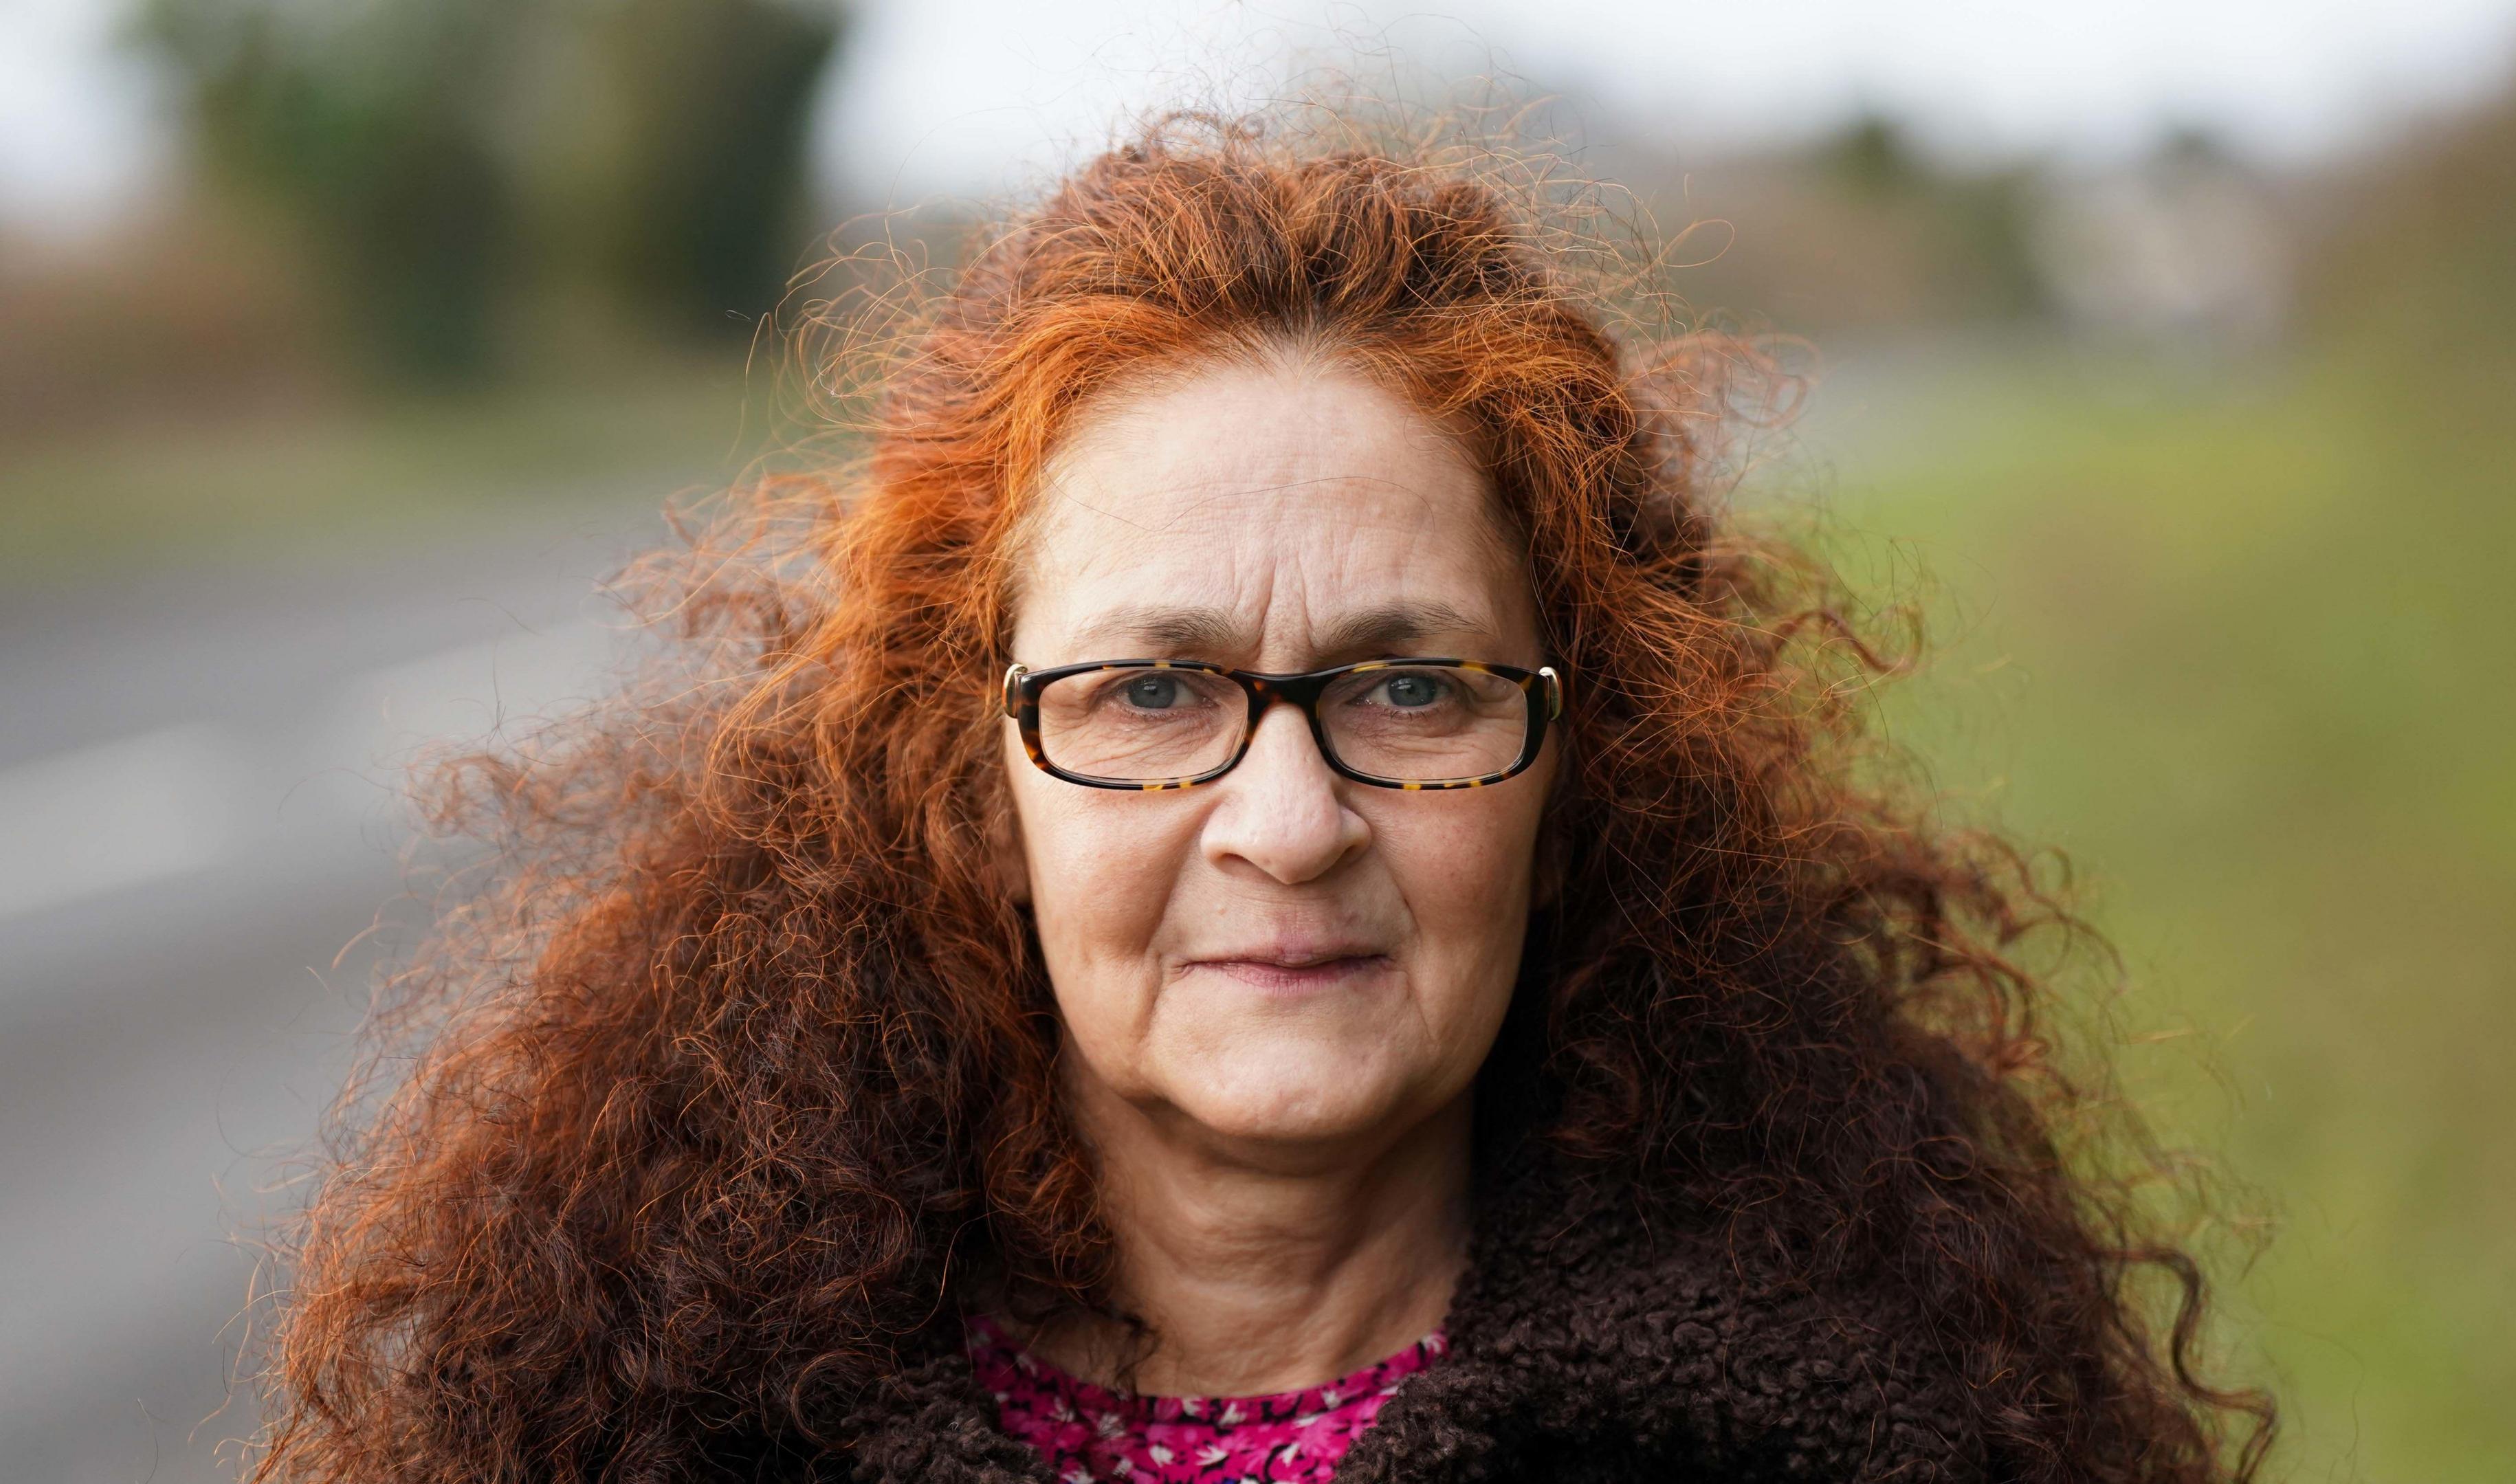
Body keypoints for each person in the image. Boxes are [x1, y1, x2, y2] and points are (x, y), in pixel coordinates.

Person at [248, 115, 2272, 1484]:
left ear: (1585, 763)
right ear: (974, 779)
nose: (1287, 821)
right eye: (1148, 690)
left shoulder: (1880, 1425)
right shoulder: (639, 1428)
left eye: (1409, 685)